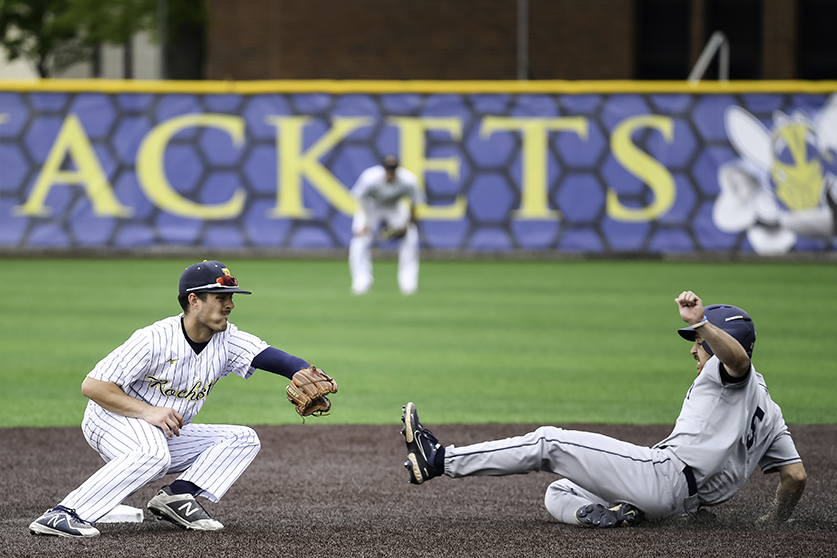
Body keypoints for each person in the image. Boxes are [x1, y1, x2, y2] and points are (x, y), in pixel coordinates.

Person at [400, 291, 807, 528]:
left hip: (664, 477)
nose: (693, 348)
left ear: (720, 341)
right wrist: (772, 524)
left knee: (549, 443)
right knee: (558, 492)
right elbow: (795, 477)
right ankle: (610, 514)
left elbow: (738, 361)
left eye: (698, 342)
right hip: (681, 508)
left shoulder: (729, 370)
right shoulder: (770, 412)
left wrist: (703, 324)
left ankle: (438, 460)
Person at [29, 260, 324, 538]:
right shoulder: (154, 339)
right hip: (111, 419)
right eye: (220, 297)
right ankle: (64, 514)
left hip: (162, 429)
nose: (230, 305)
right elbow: (93, 386)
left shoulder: (227, 340)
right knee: (154, 455)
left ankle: (178, 496)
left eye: (231, 297)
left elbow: (278, 359)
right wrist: (148, 411)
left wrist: (302, 371)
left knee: (242, 439)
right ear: (194, 300)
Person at [349, 155, 425, 295]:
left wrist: (409, 223)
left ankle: (408, 283)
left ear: (397, 169)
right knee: (359, 240)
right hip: (371, 206)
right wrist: (366, 223)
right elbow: (360, 199)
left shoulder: (408, 180)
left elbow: (415, 201)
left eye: (393, 169)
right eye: (388, 169)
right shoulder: (370, 178)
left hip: (394, 207)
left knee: (411, 237)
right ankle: (361, 282)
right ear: (383, 169)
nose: (390, 173)